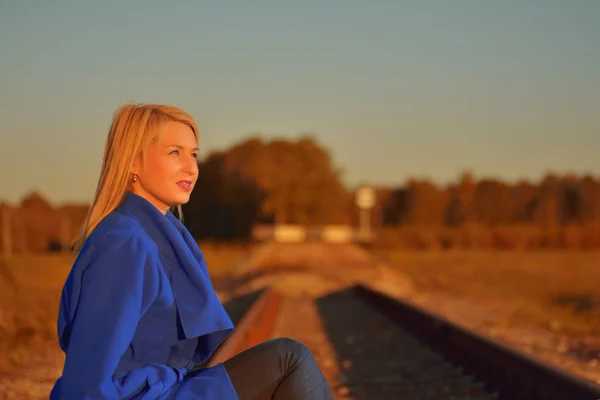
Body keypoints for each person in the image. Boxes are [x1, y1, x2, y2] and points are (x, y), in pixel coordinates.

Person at [50, 103, 334, 399]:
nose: (191, 167)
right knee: (288, 359)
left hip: (164, 389)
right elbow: (86, 378)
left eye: (194, 154)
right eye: (175, 152)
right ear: (133, 162)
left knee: (287, 360)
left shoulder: (159, 233)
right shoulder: (124, 241)